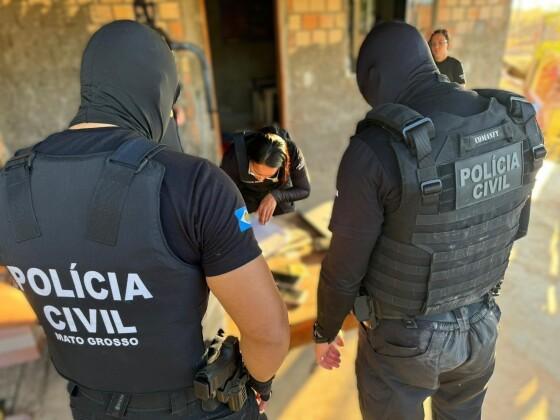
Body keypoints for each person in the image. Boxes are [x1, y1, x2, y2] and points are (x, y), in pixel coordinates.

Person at [0, 21, 290, 420]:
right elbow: (268, 334)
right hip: (197, 407)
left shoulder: (10, 185)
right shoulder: (196, 183)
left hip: (90, 407)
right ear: (159, 93)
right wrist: (259, 384)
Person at [313, 21, 545, 420]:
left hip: (404, 342)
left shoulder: (377, 147)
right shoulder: (514, 123)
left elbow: (345, 268)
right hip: (483, 324)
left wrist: (325, 329)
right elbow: (515, 225)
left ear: (374, 80)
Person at [220, 126, 310, 225]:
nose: (261, 179)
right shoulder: (233, 157)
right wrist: (245, 224)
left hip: (279, 191)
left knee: (286, 229)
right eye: (256, 173)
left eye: (270, 176)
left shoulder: (292, 152)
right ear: (249, 159)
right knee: (247, 232)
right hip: (245, 195)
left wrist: (276, 196)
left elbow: (304, 189)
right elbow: (228, 196)